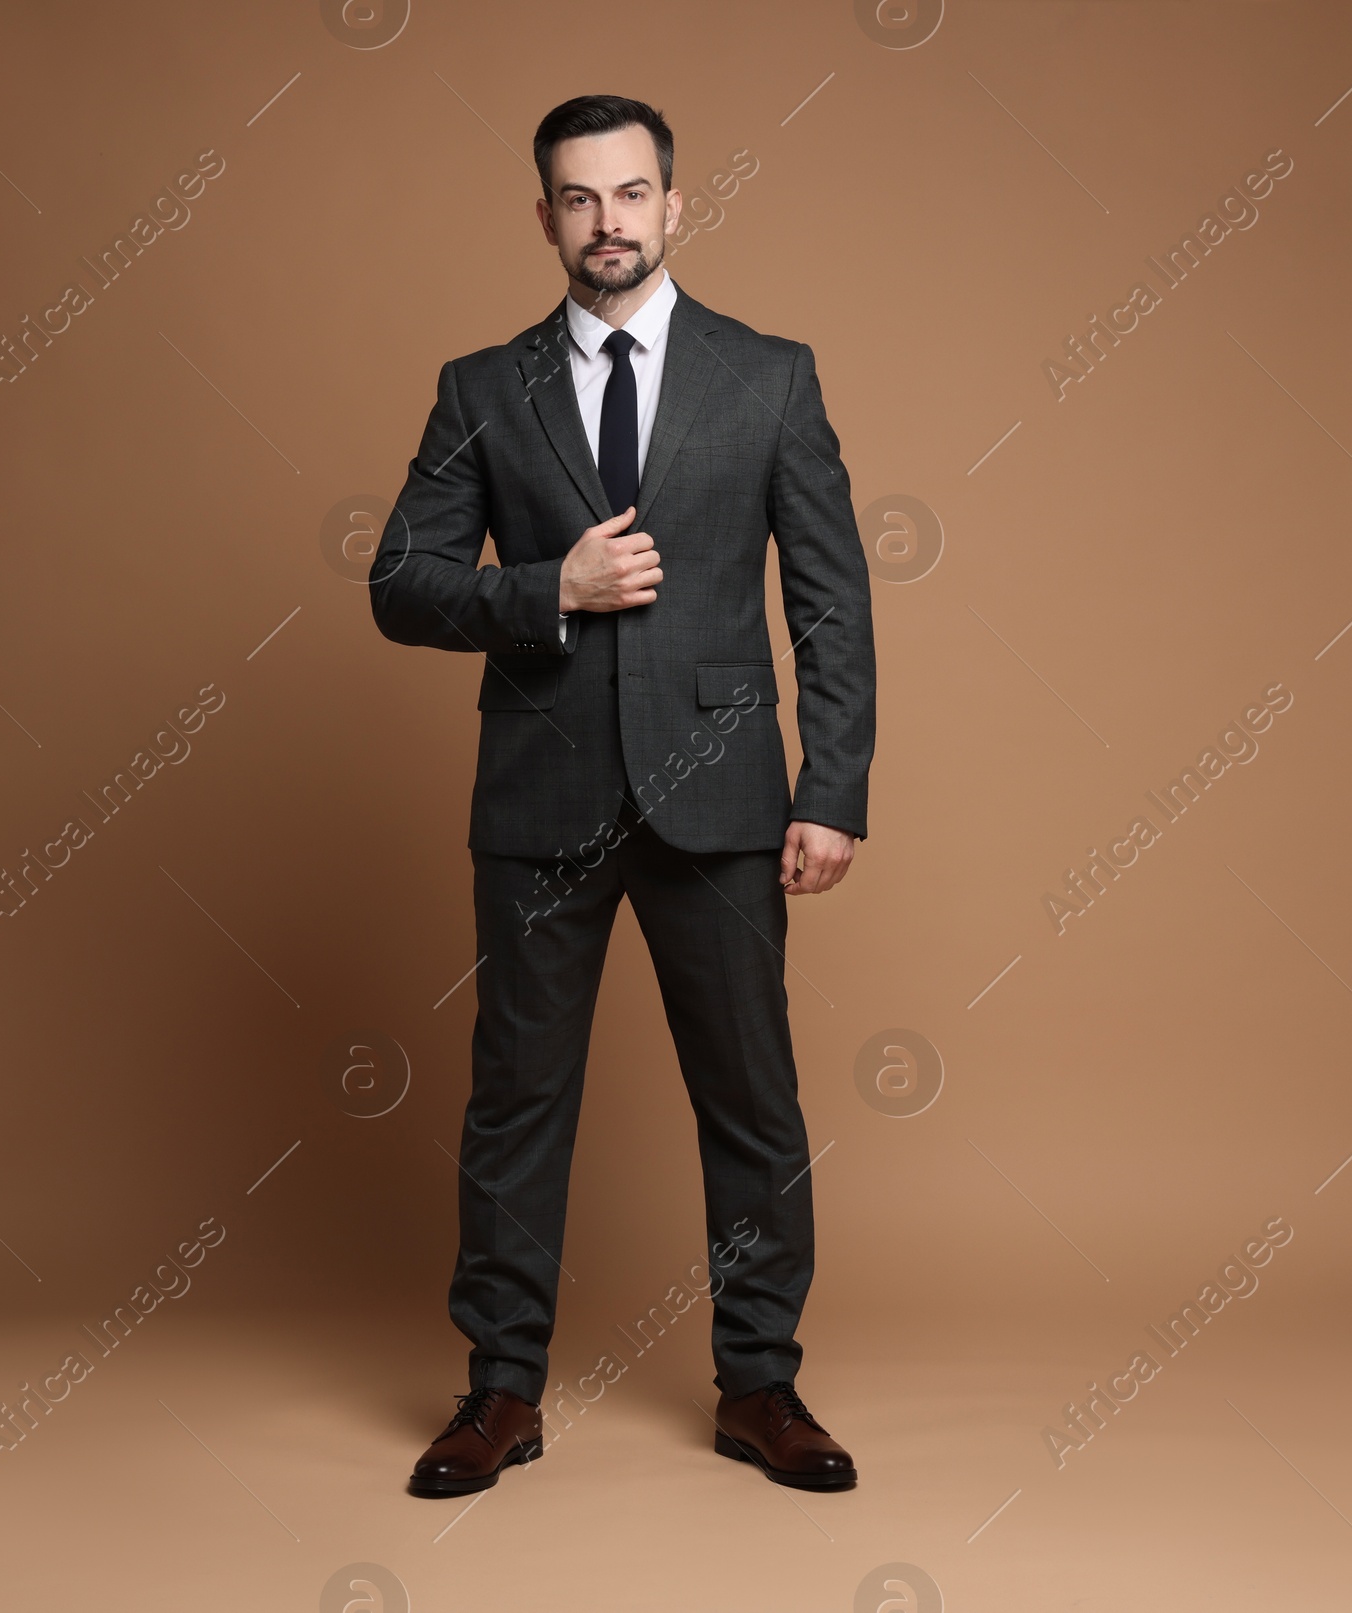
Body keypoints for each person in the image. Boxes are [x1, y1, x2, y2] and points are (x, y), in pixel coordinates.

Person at [369, 93, 876, 1498]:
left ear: (675, 202)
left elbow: (831, 603)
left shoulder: (769, 376)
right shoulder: (482, 387)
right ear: (545, 218)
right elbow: (399, 584)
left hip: (724, 799)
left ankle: (761, 1385)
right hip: (540, 798)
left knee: (753, 1098)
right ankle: (499, 1391)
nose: (610, 222)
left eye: (633, 193)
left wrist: (831, 788)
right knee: (515, 1102)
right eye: (580, 200)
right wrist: (549, 591)